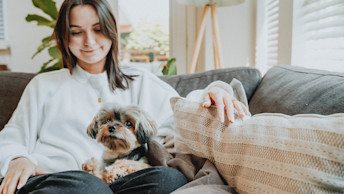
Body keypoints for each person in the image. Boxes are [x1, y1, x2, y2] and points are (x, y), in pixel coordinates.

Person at [0, 0, 250, 193]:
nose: (89, 41)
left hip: (123, 180)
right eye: (76, 32)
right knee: (89, 187)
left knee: (169, 178)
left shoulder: (139, 80)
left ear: (111, 31)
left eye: (97, 29)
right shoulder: (43, 85)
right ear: (65, 37)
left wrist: (215, 91)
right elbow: (12, 136)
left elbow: (181, 113)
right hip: (60, 179)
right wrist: (18, 159)